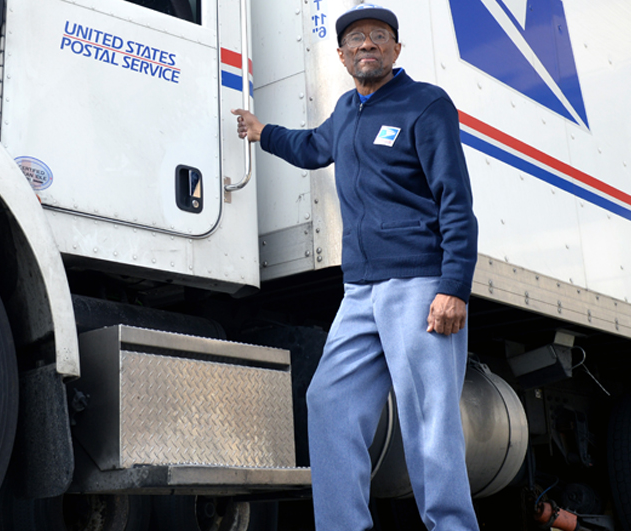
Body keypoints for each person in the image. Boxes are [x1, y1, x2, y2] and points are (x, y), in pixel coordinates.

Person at [232, 4, 479, 530]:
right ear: (342, 56)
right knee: (329, 402)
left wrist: (454, 286)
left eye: (379, 36)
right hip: (360, 290)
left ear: (395, 49)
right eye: (357, 40)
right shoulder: (347, 110)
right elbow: (312, 147)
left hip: (419, 283)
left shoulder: (426, 104)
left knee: (429, 424)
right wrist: (262, 131)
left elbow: (455, 201)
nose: (367, 45)